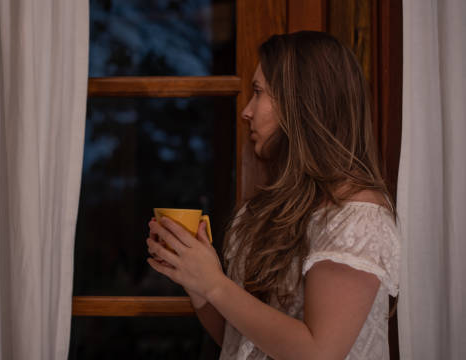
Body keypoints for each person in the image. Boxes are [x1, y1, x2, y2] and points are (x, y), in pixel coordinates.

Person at [146, 31, 400, 360]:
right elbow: (239, 340)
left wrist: (214, 284)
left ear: (303, 103)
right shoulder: (260, 212)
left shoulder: (356, 219)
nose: (246, 111)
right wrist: (195, 278)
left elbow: (318, 353)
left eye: (258, 92)